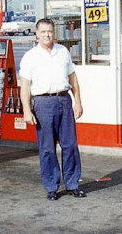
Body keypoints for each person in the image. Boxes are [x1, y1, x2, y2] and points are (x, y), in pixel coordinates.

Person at [19, 18, 86, 201]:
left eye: (50, 31)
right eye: (43, 32)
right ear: (37, 34)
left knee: (70, 145)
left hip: (63, 100)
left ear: (53, 33)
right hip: (43, 104)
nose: (47, 35)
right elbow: (25, 87)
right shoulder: (30, 56)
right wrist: (27, 110)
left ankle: (72, 184)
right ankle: (51, 187)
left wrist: (77, 101)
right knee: (47, 148)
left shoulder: (63, 52)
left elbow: (73, 79)